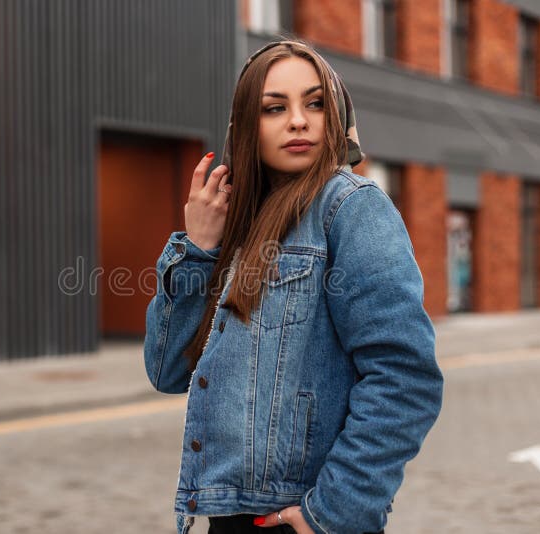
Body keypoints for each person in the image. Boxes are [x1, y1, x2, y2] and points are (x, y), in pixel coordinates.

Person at [143, 38, 444, 534]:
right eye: (274, 108)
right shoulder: (239, 226)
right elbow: (167, 369)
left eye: (315, 103)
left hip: (300, 517)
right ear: (246, 128)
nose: (299, 121)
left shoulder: (350, 208)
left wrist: (333, 511)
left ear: (335, 115)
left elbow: (405, 377)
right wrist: (197, 248)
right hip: (229, 515)